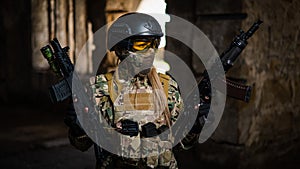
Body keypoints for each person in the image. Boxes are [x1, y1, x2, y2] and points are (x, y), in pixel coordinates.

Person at [64, 12, 203, 169]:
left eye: (154, 44)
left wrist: (194, 125)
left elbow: (181, 144)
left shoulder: (167, 87)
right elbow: (82, 144)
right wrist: (78, 129)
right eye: (141, 45)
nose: (150, 52)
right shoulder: (99, 89)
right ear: (121, 48)